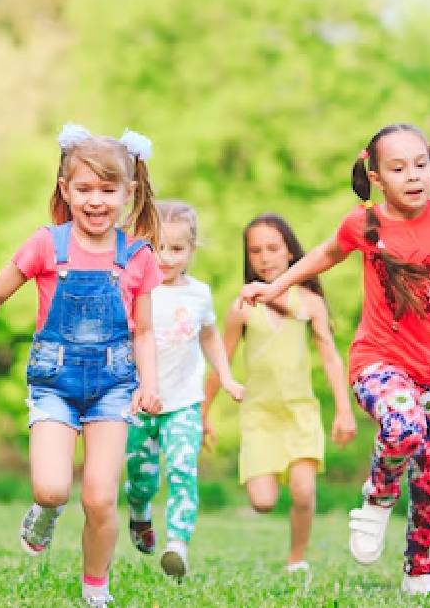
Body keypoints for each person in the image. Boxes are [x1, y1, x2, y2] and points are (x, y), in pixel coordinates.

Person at [239, 123, 430, 596]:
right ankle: (378, 497)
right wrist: (275, 287)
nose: (413, 175)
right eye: (398, 168)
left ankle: (420, 571)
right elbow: (322, 255)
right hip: (377, 361)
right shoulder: (362, 226)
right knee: (403, 428)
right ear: (377, 176)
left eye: (420, 164)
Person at [0, 124, 163, 607]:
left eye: (108, 189)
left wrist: (150, 384)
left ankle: (95, 589)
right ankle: (45, 511)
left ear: (129, 191)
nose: (96, 201)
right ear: (64, 189)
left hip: (114, 387)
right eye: (84, 189)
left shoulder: (138, 257)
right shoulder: (46, 245)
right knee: (52, 487)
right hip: (55, 384)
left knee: (100, 498)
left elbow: (143, 331)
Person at [208, 213, 356, 573]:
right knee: (262, 501)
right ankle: (266, 494)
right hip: (259, 416)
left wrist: (343, 409)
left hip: (300, 413)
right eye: (255, 251)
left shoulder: (310, 304)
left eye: (273, 248)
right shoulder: (241, 308)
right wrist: (202, 413)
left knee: (304, 492)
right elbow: (221, 363)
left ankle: (296, 559)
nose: (264, 257)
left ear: (291, 253)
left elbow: (332, 360)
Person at [123, 200, 243, 579]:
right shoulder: (135, 289)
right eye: (158, 246)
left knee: (182, 470)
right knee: (141, 478)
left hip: (184, 402)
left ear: (192, 249)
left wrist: (225, 376)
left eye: (177, 248)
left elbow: (209, 336)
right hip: (138, 403)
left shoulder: (199, 294)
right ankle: (140, 511)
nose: (166, 257)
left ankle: (177, 543)